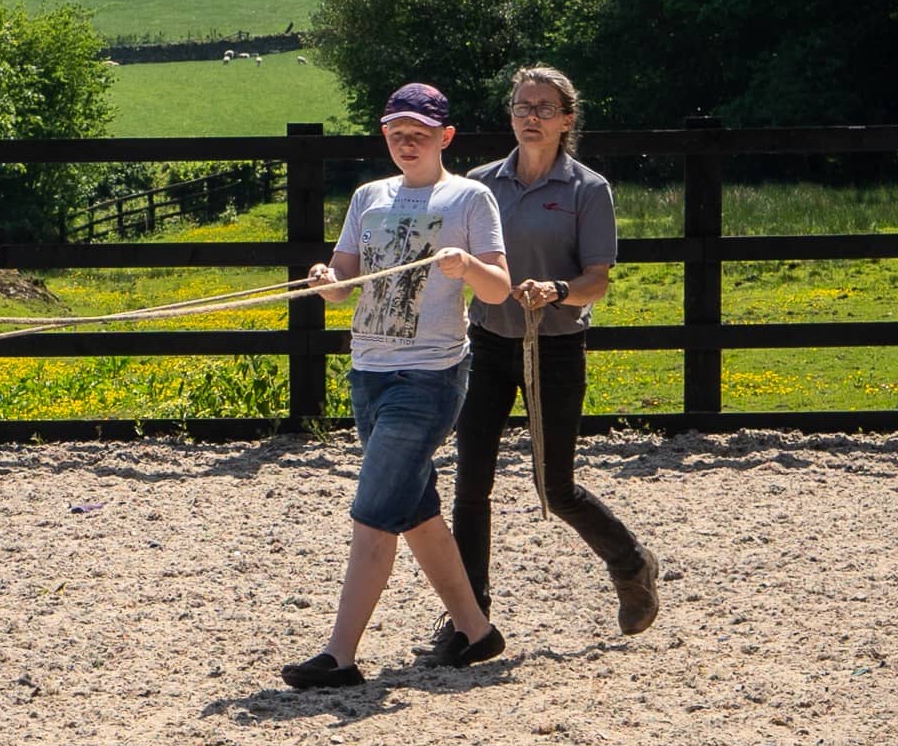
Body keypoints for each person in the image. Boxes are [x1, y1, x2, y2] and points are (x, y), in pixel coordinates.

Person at [417, 65, 659, 661]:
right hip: (487, 342)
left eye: (544, 108)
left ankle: (631, 564)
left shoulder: (587, 190)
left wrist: (556, 290)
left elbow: (596, 282)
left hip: (553, 346)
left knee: (555, 484)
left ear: (566, 120)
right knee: (470, 484)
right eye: (523, 106)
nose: (531, 116)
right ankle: (469, 618)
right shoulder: (477, 187)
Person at [281, 82, 514, 689]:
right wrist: (323, 278)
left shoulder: (471, 198)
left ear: (445, 136)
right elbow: (341, 286)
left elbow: (498, 289)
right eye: (395, 132)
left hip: (430, 375)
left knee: (374, 509)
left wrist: (470, 267)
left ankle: (340, 655)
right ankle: (475, 629)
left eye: (418, 132)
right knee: (412, 508)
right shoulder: (368, 198)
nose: (405, 142)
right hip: (369, 371)